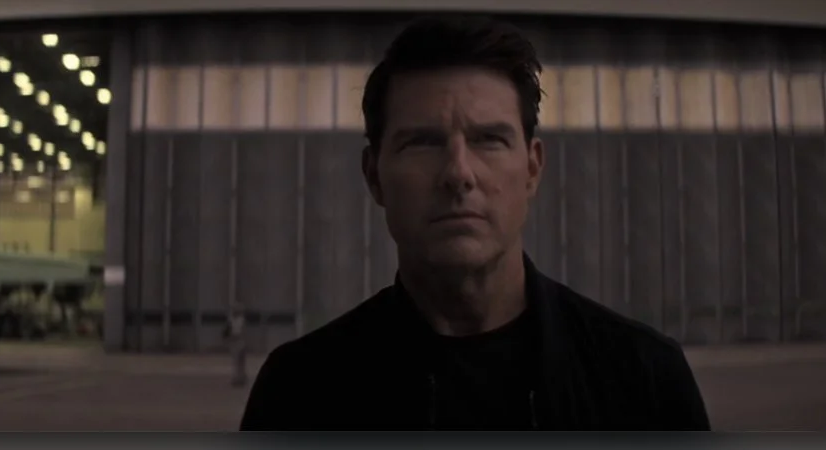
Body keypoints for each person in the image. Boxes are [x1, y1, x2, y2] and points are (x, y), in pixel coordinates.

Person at [239, 16, 710, 431]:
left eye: (489, 139)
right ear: (374, 176)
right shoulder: (298, 393)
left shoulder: (644, 380)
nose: (459, 173)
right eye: (423, 142)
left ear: (532, 169)